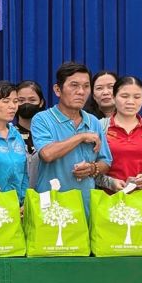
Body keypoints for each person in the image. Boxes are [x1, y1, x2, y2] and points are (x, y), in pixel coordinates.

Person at [30, 62, 112, 211]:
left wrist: (92, 168)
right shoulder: (42, 119)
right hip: (52, 204)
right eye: (74, 85)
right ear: (57, 90)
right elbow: (47, 154)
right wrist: (80, 137)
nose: (81, 91)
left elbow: (106, 161)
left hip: (85, 204)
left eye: (86, 86)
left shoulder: (93, 121)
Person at [96, 76, 142, 192]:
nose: (130, 102)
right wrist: (110, 183)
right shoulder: (99, 127)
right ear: (114, 97)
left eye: (137, 97)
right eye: (124, 96)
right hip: (106, 200)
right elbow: (91, 168)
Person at [15, 80, 45, 154]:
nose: (26, 104)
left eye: (32, 100)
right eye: (21, 100)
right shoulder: (8, 132)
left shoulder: (48, 132)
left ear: (41, 103)